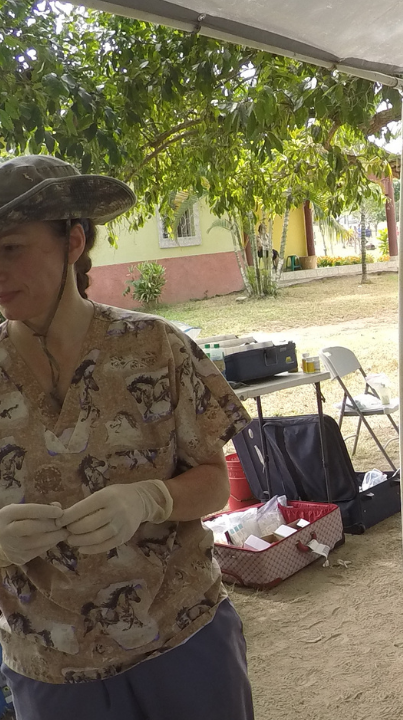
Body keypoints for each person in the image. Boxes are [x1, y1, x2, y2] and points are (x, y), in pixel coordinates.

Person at [0, 155, 254, 718]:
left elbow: (216, 483)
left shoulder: (155, 347)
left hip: (184, 642)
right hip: (52, 668)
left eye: (11, 247)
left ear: (72, 242)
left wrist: (151, 498)